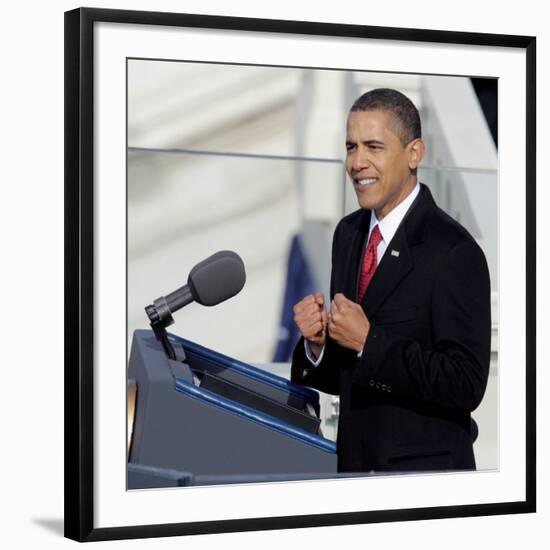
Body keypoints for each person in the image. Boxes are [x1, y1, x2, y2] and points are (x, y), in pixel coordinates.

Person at [291, 88, 491, 473]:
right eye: (351, 147)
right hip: (355, 470)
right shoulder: (348, 234)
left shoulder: (453, 251)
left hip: (424, 481)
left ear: (414, 153)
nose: (357, 162)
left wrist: (370, 342)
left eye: (373, 147)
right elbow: (353, 375)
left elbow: (465, 382)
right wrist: (317, 345)